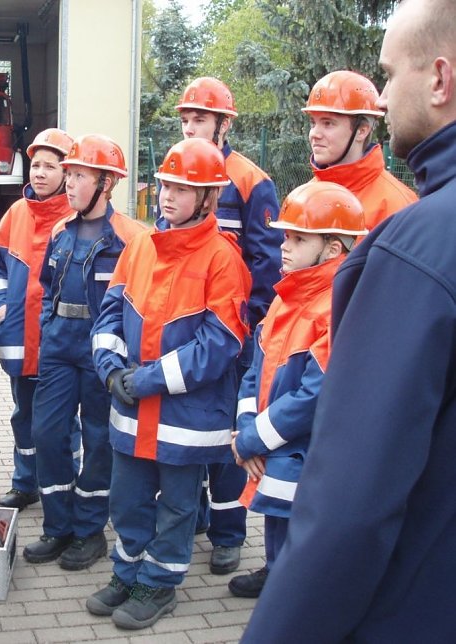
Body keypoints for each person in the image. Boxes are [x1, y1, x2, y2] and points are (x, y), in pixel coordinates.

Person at [242, 1, 456, 641]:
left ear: (441, 80)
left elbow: (355, 501)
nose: (388, 98)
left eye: (389, 77)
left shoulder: (410, 232)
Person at [89, 138, 251, 629]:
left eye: (183, 189)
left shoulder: (224, 259)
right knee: (128, 498)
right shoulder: (139, 245)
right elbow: (110, 314)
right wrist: (112, 371)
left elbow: (220, 344)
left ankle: (158, 586)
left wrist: (146, 381)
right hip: (133, 404)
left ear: (207, 199)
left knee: (178, 506)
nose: (168, 196)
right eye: (165, 185)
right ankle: (127, 572)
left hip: (184, 417)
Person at [227, 182, 367, 599]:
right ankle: (275, 570)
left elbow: (314, 395)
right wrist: (247, 430)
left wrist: (252, 439)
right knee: (275, 512)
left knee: (295, 519)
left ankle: (293, 587)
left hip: (306, 449)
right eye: (286, 235)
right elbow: (255, 371)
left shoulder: (337, 307)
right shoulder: (286, 297)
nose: (283, 246)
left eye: (298, 238)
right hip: (274, 442)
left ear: (334, 248)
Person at [23, 134, 146, 570]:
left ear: (106, 183)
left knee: (98, 440)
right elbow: (45, 286)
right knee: (46, 434)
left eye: (78, 175)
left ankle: (88, 530)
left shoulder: (132, 238)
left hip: (102, 354)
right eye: (69, 174)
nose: (69, 184)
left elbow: (135, 305)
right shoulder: (61, 230)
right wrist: (48, 331)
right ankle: (58, 527)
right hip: (58, 347)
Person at [176, 76, 283, 576]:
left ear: (223, 124)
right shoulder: (179, 172)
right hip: (186, 330)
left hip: (232, 333)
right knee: (188, 426)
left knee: (224, 437)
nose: (191, 127)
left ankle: (227, 534)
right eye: (185, 119)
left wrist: (247, 330)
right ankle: (195, 517)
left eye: (200, 119)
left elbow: (267, 265)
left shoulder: (249, 179)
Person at [0, 127, 80, 511]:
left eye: (49, 166)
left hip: (62, 342)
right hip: (21, 338)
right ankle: (25, 484)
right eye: (35, 165)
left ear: (67, 172)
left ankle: (65, 485)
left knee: (61, 422)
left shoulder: (78, 216)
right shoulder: (16, 214)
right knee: (23, 415)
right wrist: (1, 302)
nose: (39, 173)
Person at [303, 69, 417, 237]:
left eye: (328, 123)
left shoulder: (397, 205)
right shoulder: (305, 195)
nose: (314, 134)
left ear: (362, 131)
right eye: (313, 123)